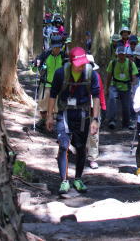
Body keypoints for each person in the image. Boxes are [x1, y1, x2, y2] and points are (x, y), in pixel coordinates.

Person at [46, 47, 100, 194]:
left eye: (84, 62)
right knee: (63, 146)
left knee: (81, 147)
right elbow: (52, 95)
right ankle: (64, 181)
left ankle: (78, 178)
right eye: (79, 63)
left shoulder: (91, 74)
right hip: (64, 113)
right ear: (72, 62)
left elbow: (96, 97)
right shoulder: (60, 73)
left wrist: (95, 119)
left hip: (83, 115)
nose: (82, 65)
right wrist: (49, 116)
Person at [33, 35, 66, 131]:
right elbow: (35, 69)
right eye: (55, 47)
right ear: (52, 46)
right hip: (46, 84)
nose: (56, 49)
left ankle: (52, 122)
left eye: (58, 47)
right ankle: (43, 120)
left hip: (59, 86)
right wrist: (35, 64)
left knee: (57, 107)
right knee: (43, 105)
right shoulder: (45, 55)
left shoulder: (64, 56)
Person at [106, 45, 138, 130]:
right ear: (117, 54)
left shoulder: (131, 63)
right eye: (119, 54)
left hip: (126, 86)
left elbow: (134, 77)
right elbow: (109, 76)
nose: (121, 56)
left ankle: (126, 123)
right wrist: (106, 88)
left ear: (126, 54)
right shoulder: (112, 63)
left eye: (123, 54)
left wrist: (132, 87)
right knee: (112, 100)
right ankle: (112, 121)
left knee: (126, 106)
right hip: (114, 85)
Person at [86, 55, 106, 169]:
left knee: (94, 133)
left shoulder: (96, 76)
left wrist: (103, 106)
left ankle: (92, 157)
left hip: (94, 108)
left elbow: (100, 93)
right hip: (82, 107)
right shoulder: (77, 76)